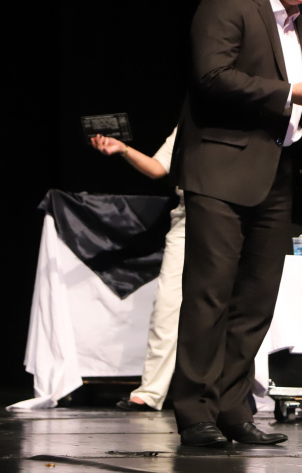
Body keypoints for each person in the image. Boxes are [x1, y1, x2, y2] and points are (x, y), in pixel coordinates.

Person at [172, 0, 302, 447]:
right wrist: (289, 92)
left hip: (277, 178)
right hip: (220, 171)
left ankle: (233, 408)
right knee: (209, 296)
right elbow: (212, 77)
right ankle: (194, 408)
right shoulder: (229, 0)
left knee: (256, 303)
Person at [90, 128, 183, 413]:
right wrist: (123, 149)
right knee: (167, 306)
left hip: (236, 218)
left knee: (231, 309)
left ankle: (236, 394)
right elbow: (157, 168)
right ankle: (151, 391)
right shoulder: (191, 121)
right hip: (189, 218)